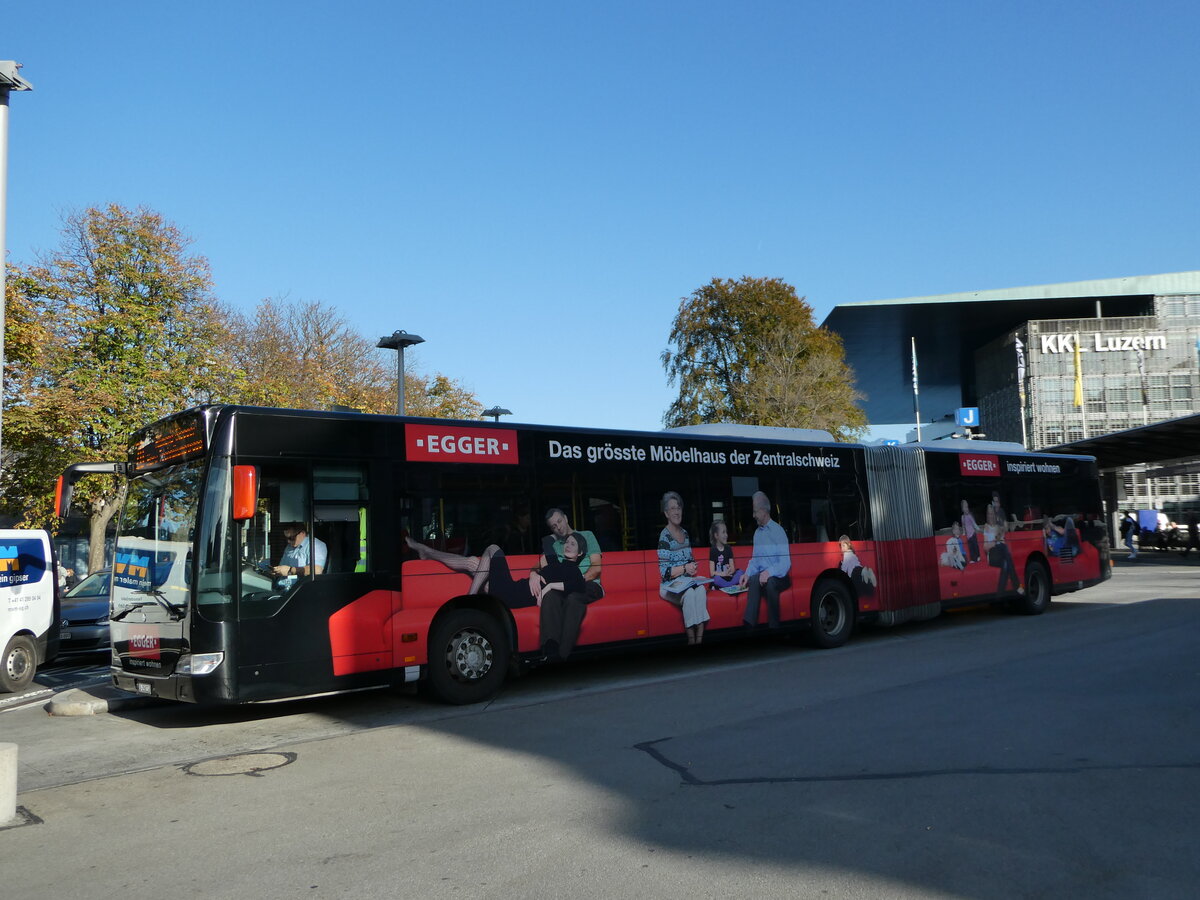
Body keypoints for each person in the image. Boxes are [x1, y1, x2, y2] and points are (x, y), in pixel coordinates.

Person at [406, 532, 591, 660]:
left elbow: (578, 586)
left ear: (580, 553)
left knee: (493, 548)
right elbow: (546, 541)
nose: (567, 545)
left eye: (572, 544)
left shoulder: (574, 572)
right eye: (567, 542)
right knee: (472, 562)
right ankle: (427, 552)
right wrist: (535, 573)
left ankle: (470, 598)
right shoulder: (554, 563)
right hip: (513, 589)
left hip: (513, 594)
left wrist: (549, 586)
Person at [657, 491, 709, 645]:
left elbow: (690, 560)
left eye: (678, 507)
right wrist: (685, 568)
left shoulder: (685, 534)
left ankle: (699, 639)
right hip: (669, 586)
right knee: (690, 595)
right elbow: (664, 573)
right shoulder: (664, 537)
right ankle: (691, 640)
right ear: (666, 513)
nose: (677, 511)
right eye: (672, 508)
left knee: (700, 590)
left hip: (686, 581)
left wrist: (692, 569)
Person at [740, 491, 791, 630]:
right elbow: (755, 560)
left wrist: (769, 572)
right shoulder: (757, 534)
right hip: (763, 577)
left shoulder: (778, 531)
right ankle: (749, 624)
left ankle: (774, 626)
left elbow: (785, 564)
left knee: (769, 583)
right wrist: (746, 574)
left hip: (780, 577)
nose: (753, 515)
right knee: (754, 579)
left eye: (755, 511)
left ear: (763, 511)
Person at [531, 508, 603, 601]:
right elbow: (539, 565)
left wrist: (574, 583)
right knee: (551, 598)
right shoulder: (555, 546)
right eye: (554, 526)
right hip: (563, 586)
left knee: (572, 597)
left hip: (588, 583)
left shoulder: (587, 535)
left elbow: (596, 567)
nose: (559, 527)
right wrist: (533, 574)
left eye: (559, 521)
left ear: (566, 518)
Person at [273, 522, 328, 589]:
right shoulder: (289, 547)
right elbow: (282, 567)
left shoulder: (315, 545)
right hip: (282, 588)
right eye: (286, 538)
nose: (288, 541)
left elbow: (317, 570)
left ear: (302, 533)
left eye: (291, 538)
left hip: (300, 589)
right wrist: (277, 571)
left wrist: (291, 570)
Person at [709, 520, 744, 590]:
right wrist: (723, 574)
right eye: (723, 532)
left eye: (726, 532)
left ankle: (726, 586)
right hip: (720, 578)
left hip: (729, 577)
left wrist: (730, 570)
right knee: (716, 579)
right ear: (716, 535)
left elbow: (733, 568)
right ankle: (730, 586)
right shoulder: (713, 550)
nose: (726, 535)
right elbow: (712, 573)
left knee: (741, 572)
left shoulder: (728, 548)